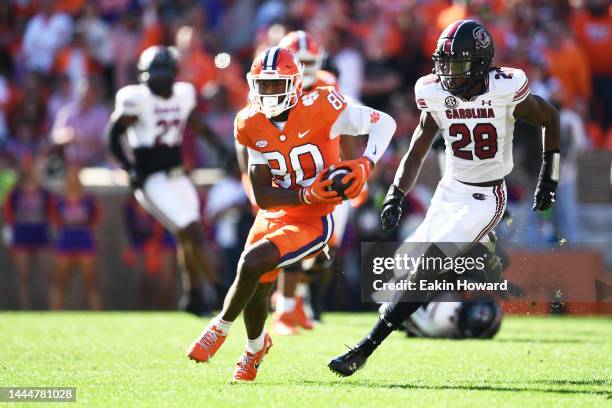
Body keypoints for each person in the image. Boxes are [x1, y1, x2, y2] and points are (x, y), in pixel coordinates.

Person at [328, 19, 560, 376]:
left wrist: (549, 175)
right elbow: (418, 149)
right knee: (399, 274)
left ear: (481, 64)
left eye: (458, 65)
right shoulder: (435, 91)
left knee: (427, 266)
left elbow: (550, 117)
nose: (448, 73)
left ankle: (364, 348)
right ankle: (418, 319)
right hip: (449, 190)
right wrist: (395, 193)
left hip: (486, 196)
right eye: (444, 63)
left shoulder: (504, 88)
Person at [187, 46, 396, 381]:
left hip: (314, 218)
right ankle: (255, 349)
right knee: (256, 286)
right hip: (278, 210)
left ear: (295, 84)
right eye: (262, 84)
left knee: (251, 262)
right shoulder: (249, 122)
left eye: (276, 84)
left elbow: (384, 123)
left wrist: (365, 163)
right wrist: (304, 191)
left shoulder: (323, 105)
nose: (268, 92)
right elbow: (263, 195)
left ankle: (219, 327)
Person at [105, 46, 224, 316]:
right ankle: (220, 290)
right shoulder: (137, 99)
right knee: (191, 229)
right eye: (153, 73)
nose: (157, 79)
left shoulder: (183, 94)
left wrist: (221, 148)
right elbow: (113, 135)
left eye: (162, 73)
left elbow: (197, 124)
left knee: (188, 236)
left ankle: (193, 297)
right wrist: (129, 167)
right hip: (151, 179)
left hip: (177, 174)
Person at [3, 156, 53, 309]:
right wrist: (10, 234)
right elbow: (8, 214)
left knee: (47, 273)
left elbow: (51, 212)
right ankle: (26, 308)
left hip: (40, 233)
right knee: (23, 275)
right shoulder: (14, 194)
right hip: (21, 234)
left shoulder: (45, 193)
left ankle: (52, 307)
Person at [49, 166, 102, 310]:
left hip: (85, 242)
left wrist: (91, 235)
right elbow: (55, 221)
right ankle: (56, 315)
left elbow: (96, 219)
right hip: (66, 242)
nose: (72, 180)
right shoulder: (59, 201)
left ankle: (98, 314)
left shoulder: (89, 200)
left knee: (91, 282)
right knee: (59, 282)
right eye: (69, 177)